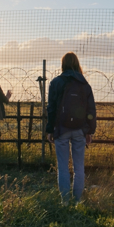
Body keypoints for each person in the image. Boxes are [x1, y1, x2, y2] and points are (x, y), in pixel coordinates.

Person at [46, 52, 96, 205]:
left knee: (62, 167)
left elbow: (51, 108)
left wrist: (50, 129)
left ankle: (65, 201)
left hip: (61, 129)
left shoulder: (56, 82)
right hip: (80, 129)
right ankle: (78, 200)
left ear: (63, 64)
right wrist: (90, 131)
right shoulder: (84, 84)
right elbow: (91, 110)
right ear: (77, 64)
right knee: (79, 166)